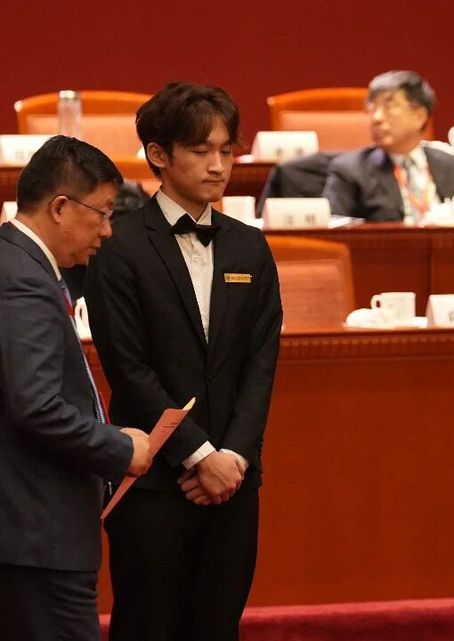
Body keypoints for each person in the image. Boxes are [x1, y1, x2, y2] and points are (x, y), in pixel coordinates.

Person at [84, 82, 283, 641]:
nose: (218, 165)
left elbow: (261, 363)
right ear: (158, 154)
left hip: (235, 485)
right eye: (200, 150)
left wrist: (232, 458)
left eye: (226, 150)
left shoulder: (250, 246)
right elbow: (129, 369)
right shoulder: (118, 245)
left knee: (218, 627)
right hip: (153, 482)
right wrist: (199, 456)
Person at [0, 135, 152, 641]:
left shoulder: (20, 262)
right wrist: (118, 447)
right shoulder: (23, 279)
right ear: (60, 207)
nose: (108, 229)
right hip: (37, 536)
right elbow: (36, 405)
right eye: (102, 213)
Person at [322, 70, 454, 221]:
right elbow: (334, 227)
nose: (377, 118)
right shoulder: (350, 170)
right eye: (372, 108)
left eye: (389, 107)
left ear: (419, 116)